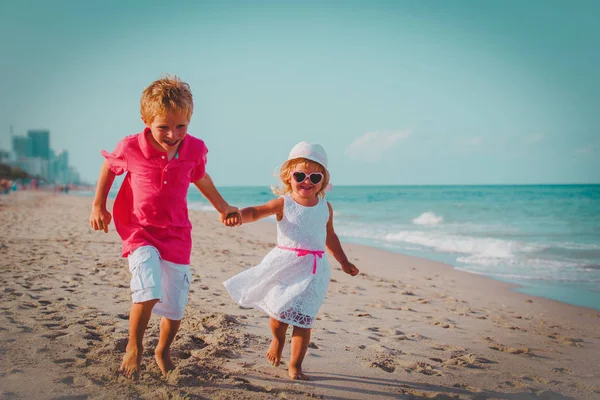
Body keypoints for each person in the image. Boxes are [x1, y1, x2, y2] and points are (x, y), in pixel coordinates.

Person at [89, 75, 241, 379]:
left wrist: (224, 207)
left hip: (177, 235)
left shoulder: (195, 148)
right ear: (146, 120)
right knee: (147, 289)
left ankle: (163, 348)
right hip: (139, 231)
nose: (172, 134)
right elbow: (109, 166)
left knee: (174, 306)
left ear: (189, 119)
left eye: (180, 126)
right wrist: (98, 205)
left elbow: (201, 178)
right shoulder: (131, 146)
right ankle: (134, 346)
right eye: (163, 127)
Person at [223, 142, 359, 381]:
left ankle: (295, 366)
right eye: (300, 175)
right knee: (279, 315)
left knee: (304, 320)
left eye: (315, 176)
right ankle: (277, 339)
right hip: (285, 266)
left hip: (314, 270)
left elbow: (330, 235)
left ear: (323, 181)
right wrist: (238, 216)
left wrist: (344, 261)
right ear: (289, 177)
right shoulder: (284, 202)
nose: (307, 181)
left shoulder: (325, 207)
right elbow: (256, 211)